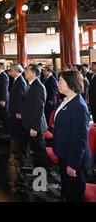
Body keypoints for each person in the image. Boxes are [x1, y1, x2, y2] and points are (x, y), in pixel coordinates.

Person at [53, 70, 92, 202]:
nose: (58, 84)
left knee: (74, 193)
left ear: (71, 83)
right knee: (67, 189)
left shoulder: (78, 107)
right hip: (64, 153)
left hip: (74, 158)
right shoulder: (66, 100)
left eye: (60, 81)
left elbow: (79, 139)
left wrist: (73, 164)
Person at [21, 64, 48, 168]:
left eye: (27, 71)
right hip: (30, 122)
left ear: (33, 73)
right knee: (35, 149)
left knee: (39, 151)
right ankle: (36, 168)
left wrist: (34, 127)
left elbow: (39, 109)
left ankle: (41, 174)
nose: (25, 73)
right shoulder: (31, 84)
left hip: (36, 125)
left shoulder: (38, 87)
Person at [8, 64, 28, 157]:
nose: (10, 72)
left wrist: (19, 112)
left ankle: (21, 150)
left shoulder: (20, 82)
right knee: (17, 130)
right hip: (14, 109)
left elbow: (21, 98)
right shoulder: (16, 80)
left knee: (20, 131)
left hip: (17, 111)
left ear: (17, 71)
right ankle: (18, 147)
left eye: (11, 70)